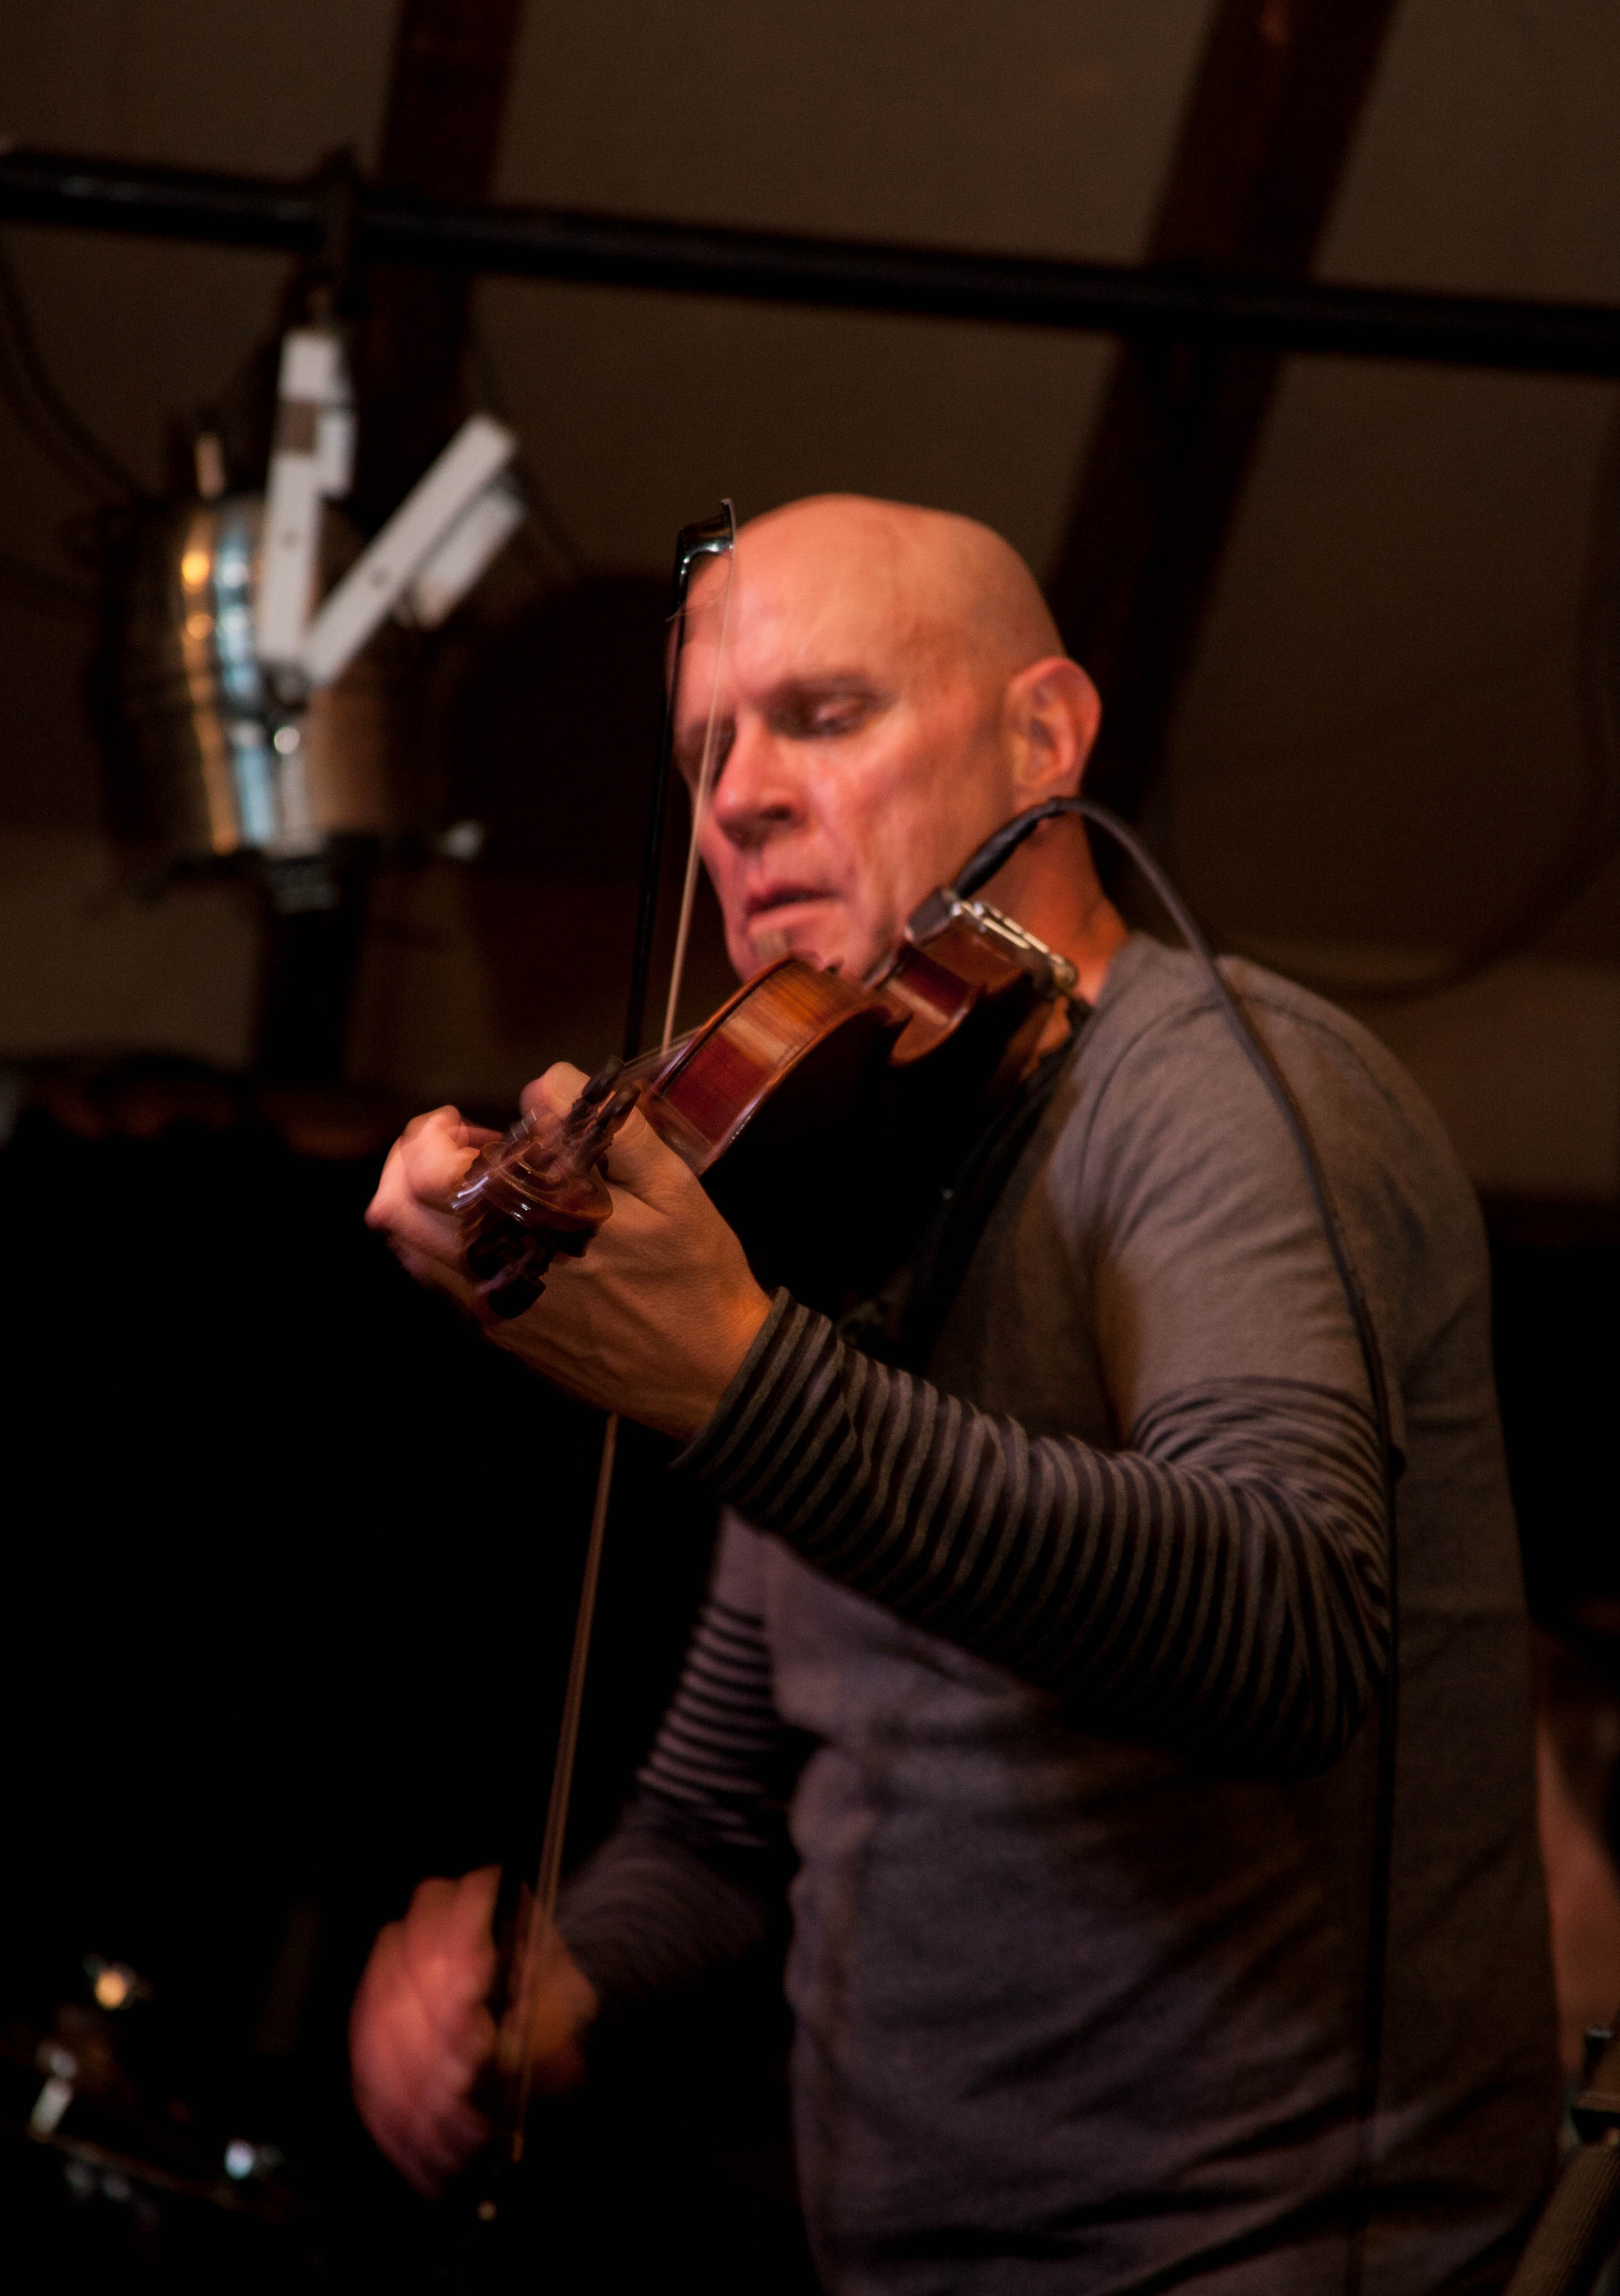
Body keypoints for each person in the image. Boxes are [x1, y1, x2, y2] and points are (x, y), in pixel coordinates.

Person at [354, 495, 1559, 2292]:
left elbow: (1290, 1620)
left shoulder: (1231, 1096)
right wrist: (559, 1985)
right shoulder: (852, 1168)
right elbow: (728, 1814)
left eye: (824, 716)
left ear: (1045, 738)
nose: (737, 802)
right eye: (705, 753)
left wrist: (737, 1375)